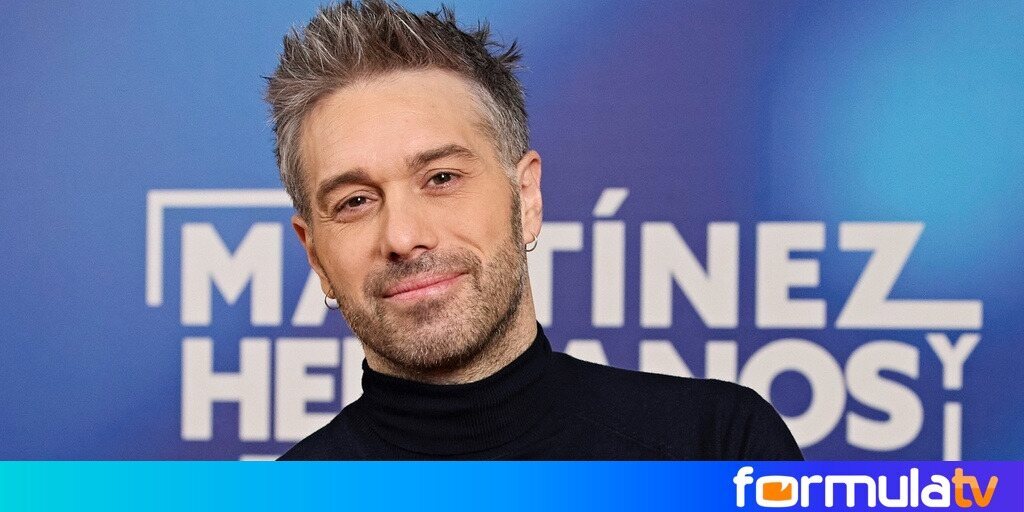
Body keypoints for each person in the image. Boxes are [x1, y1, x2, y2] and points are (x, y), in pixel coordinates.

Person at [266, 0, 802, 460]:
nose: (403, 237)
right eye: (355, 202)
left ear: (526, 198)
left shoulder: (718, 447)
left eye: (442, 178)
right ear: (315, 256)